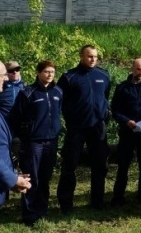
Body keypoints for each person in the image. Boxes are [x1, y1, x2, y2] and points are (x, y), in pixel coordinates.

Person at [57, 44, 111, 212]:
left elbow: (105, 96)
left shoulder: (104, 75)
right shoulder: (69, 77)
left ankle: (97, 202)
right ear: (81, 56)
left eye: (95, 56)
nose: (93, 59)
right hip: (77, 128)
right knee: (70, 165)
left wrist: (105, 114)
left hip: (97, 127)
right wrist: (70, 119)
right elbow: (61, 101)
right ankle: (66, 204)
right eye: (89, 56)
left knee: (100, 165)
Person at [9, 61, 60, 225]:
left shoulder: (58, 92)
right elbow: (16, 117)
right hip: (33, 143)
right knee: (33, 178)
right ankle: (29, 215)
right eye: (46, 71)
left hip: (51, 141)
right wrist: (24, 136)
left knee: (45, 178)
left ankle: (42, 211)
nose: (50, 75)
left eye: (52, 72)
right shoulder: (28, 93)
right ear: (38, 73)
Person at [111, 58, 141, 206]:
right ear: (132, 69)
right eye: (138, 69)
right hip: (127, 131)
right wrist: (126, 121)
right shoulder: (122, 88)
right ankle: (118, 197)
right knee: (123, 165)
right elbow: (115, 110)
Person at [0, 61, 32, 209]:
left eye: (17, 70)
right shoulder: (4, 90)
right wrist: (13, 179)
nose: (7, 78)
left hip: (18, 133)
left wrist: (13, 180)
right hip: (7, 130)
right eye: (4, 74)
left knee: (16, 160)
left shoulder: (26, 89)